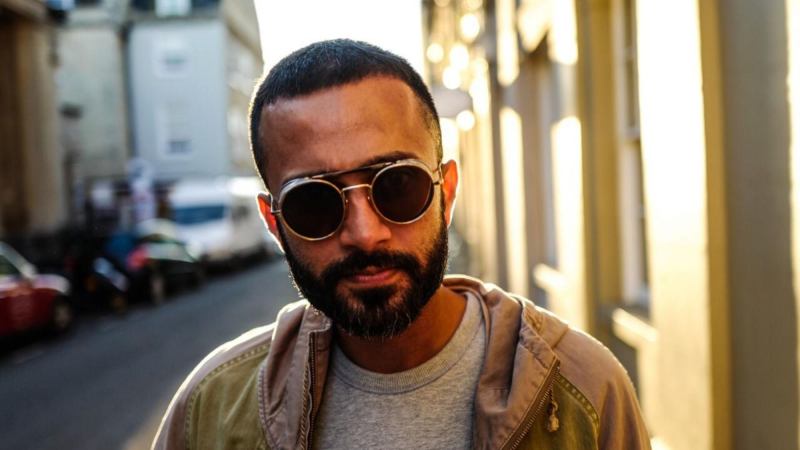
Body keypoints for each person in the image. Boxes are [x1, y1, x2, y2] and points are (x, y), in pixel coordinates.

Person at [152, 39, 650, 450]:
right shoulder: (210, 413)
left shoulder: (582, 391)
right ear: (273, 223)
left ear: (446, 192)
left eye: (396, 186)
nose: (365, 233)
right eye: (314, 203)